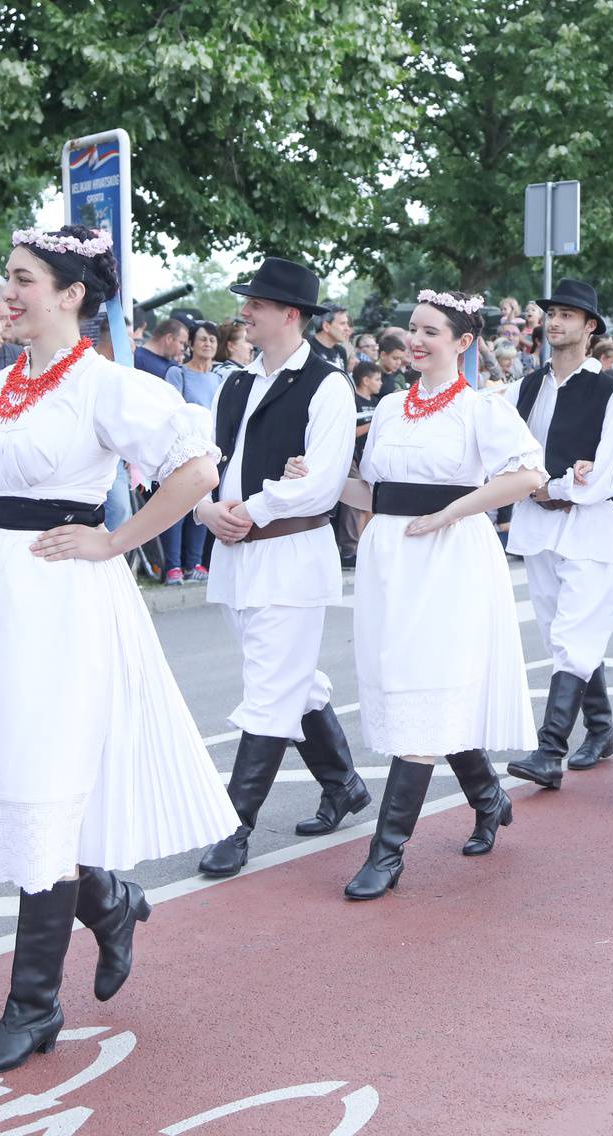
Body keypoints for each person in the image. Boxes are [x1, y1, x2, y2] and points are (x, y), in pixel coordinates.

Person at [0, 224, 234, 1075]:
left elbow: (196, 469)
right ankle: (105, 898)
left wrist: (117, 540)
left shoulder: (109, 385)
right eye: (7, 278)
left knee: (45, 780)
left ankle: (32, 1007)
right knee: (17, 774)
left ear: (71, 294)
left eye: (25, 279)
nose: (8, 291)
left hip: (67, 598)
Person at [325, 289, 544, 897]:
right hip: (390, 561)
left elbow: (528, 474)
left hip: (451, 561)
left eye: (431, 332)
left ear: (463, 342)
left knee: (427, 687)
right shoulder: (391, 408)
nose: (416, 340)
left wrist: (451, 513)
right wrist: (319, 481)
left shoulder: (482, 407)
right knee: (416, 688)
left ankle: (386, 853)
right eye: (412, 329)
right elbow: (377, 494)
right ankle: (488, 794)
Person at [191, 259, 368, 880]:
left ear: (290, 314)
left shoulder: (327, 384)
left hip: (291, 551)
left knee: (270, 689)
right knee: (290, 678)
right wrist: (208, 508)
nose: (245, 312)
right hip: (238, 551)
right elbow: (208, 459)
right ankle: (343, 783)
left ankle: (234, 827)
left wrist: (255, 505)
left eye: (256, 304)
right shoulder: (234, 383)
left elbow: (320, 483)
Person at [501, 279, 613, 787]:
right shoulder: (526, 387)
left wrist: (557, 486)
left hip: (586, 526)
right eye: (551, 313)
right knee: (562, 637)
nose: (554, 322)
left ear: (590, 326)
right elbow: (509, 449)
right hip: (537, 526)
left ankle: (549, 749)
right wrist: (534, 484)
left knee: (574, 634)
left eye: (567, 315)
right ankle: (600, 729)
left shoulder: (610, 391)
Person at [161, 320, 223, 584]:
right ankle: (173, 565)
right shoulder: (178, 374)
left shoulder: (220, 378)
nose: (207, 344)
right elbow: (170, 410)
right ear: (192, 344)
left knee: (203, 505)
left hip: (210, 450)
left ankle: (194, 562)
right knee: (177, 507)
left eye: (212, 339)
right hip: (182, 449)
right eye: (202, 339)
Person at [308, 303, 352, 371]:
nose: (347, 328)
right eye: (342, 323)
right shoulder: (307, 349)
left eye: (347, 323)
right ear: (326, 326)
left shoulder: (341, 351)